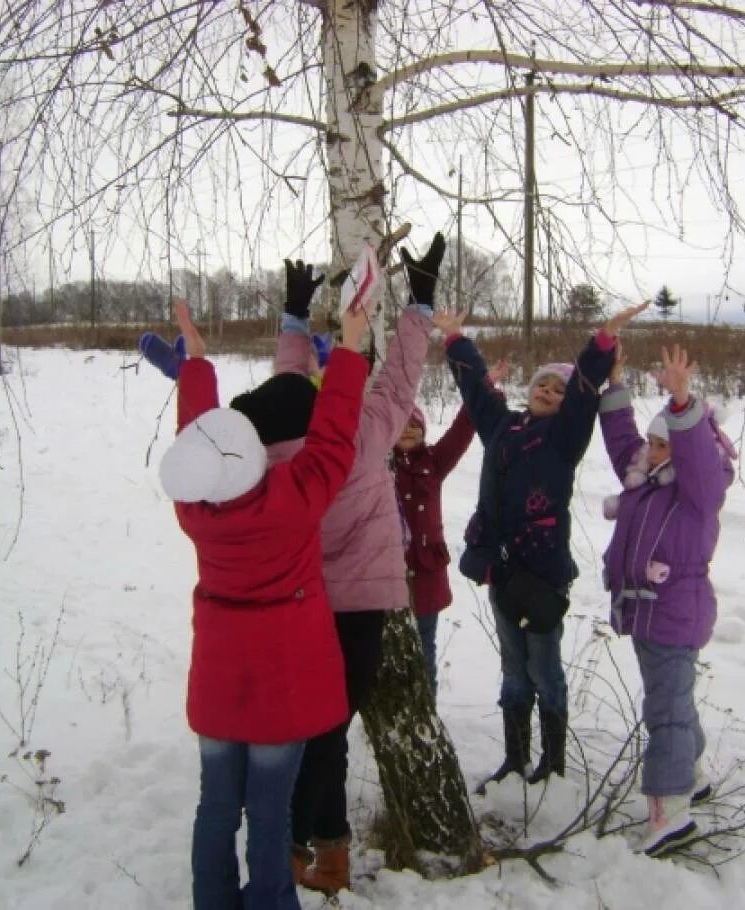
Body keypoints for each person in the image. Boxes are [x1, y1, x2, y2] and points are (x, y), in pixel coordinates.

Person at [159, 298, 371, 910]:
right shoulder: (294, 498)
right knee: (271, 815)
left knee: (217, 809)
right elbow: (334, 438)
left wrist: (197, 367)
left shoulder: (196, 512)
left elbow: (196, 441)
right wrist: (350, 347)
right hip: (281, 694)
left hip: (220, 694)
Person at [274, 236, 445, 893]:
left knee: (307, 736)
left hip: (303, 603)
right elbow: (400, 375)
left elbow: (289, 385)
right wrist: (420, 302)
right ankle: (323, 854)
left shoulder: (289, 445)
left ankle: (303, 852)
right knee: (326, 737)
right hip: (361, 612)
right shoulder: (366, 431)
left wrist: (295, 320)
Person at [433, 302, 648, 794]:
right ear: (528, 392)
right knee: (513, 670)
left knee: (544, 669)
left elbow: (582, 396)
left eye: (556, 388)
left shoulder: (564, 437)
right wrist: (455, 337)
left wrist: (603, 342)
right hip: (503, 574)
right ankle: (515, 759)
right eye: (541, 386)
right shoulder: (502, 428)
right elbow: (476, 391)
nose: (548, 392)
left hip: (544, 576)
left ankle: (552, 764)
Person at [598, 342, 736, 858]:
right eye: (653, 444)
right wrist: (615, 387)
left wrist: (682, 404)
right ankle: (692, 774)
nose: (653, 452)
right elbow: (621, 442)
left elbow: (697, 457)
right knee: (673, 700)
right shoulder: (645, 482)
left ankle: (671, 809)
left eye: (665, 445)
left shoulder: (698, 494)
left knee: (667, 710)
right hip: (647, 616)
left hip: (675, 615)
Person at [392, 359, 506, 696]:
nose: (409, 432)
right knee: (391, 651)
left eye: (415, 427)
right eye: (402, 426)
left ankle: (425, 703)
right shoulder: (379, 465)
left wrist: (482, 390)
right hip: (389, 575)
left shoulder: (434, 462)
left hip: (426, 574)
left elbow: (460, 432)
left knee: (425, 646)